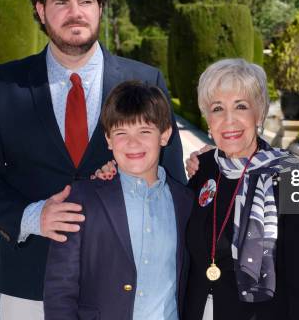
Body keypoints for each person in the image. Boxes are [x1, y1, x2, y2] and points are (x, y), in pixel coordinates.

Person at [0, 0, 184, 319]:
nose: (75, 11)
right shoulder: (4, 84)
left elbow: (173, 182)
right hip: (29, 282)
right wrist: (32, 217)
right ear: (41, 10)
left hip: (128, 286)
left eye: (86, 0)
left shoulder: (145, 81)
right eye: (61, 1)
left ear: (99, 8)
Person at [183, 59, 299, 320]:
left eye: (241, 106)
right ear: (207, 119)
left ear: (259, 113)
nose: (229, 120)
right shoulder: (202, 169)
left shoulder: (295, 178)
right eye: (217, 108)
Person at [44, 81, 192, 320]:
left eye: (144, 131)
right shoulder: (82, 199)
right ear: (109, 139)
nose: (133, 143)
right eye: (121, 133)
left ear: (164, 135)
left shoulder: (185, 201)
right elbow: (60, 288)